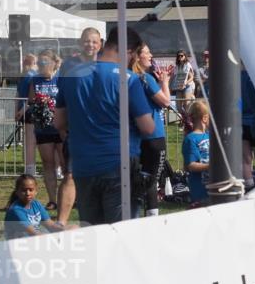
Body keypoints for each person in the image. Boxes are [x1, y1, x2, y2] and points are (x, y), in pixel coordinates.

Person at [54, 26, 155, 225]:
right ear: (127, 51)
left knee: (92, 231)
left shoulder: (72, 75)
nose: (132, 61)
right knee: (121, 232)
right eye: (133, 55)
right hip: (119, 164)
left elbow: (58, 121)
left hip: (83, 165)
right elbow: (148, 127)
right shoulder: (128, 79)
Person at [56, 27, 102, 226]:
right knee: (71, 174)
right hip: (77, 129)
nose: (90, 45)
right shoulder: (69, 65)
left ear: (100, 44)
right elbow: (62, 96)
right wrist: (62, 125)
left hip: (101, 129)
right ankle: (61, 222)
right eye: (86, 41)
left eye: (94, 41)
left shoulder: (106, 64)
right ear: (80, 43)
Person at [131, 42, 171, 216]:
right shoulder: (146, 78)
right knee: (151, 179)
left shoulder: (129, 77)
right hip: (154, 136)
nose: (151, 56)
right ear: (138, 57)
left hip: (135, 136)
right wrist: (165, 82)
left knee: (139, 178)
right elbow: (165, 101)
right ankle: (152, 216)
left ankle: (136, 212)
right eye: (147, 53)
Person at [28, 49, 64, 210]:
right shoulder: (35, 80)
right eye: (39, 62)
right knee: (48, 164)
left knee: (66, 164)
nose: (41, 65)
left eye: (45, 62)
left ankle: (69, 198)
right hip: (43, 129)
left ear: (54, 62)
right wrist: (39, 105)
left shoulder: (61, 79)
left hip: (61, 128)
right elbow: (31, 101)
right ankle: (53, 200)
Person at [3, 174, 70, 240]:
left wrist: (66, 230)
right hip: (17, 246)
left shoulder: (36, 204)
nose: (28, 193)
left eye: (31, 190)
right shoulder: (16, 210)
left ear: (36, 191)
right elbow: (34, 233)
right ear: (17, 191)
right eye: (24, 190)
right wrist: (55, 239)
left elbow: (51, 225)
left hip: (32, 241)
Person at [183, 99, 211, 208]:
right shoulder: (191, 139)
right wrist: (211, 166)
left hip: (212, 186)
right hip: (200, 189)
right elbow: (190, 165)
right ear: (204, 118)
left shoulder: (209, 135)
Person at [16, 54, 38, 176]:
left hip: (23, 110)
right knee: (31, 141)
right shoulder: (33, 77)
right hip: (29, 110)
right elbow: (31, 97)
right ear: (33, 63)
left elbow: (18, 94)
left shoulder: (22, 77)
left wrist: (17, 111)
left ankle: (29, 167)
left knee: (28, 141)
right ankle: (30, 168)